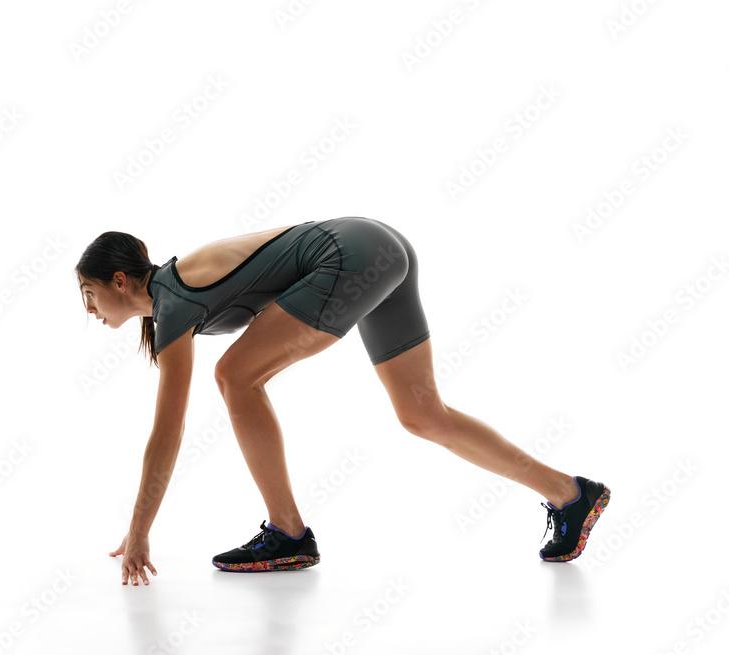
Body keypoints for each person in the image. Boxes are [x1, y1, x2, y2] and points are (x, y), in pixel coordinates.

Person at [75, 216, 610, 585]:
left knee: (235, 375)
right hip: (379, 247)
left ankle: (287, 533)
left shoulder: (173, 302)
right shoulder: (174, 294)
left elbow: (167, 432)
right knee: (423, 415)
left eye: (89, 295)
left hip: (353, 255)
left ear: (119, 281)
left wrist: (139, 531)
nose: (90, 310)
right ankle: (571, 495)